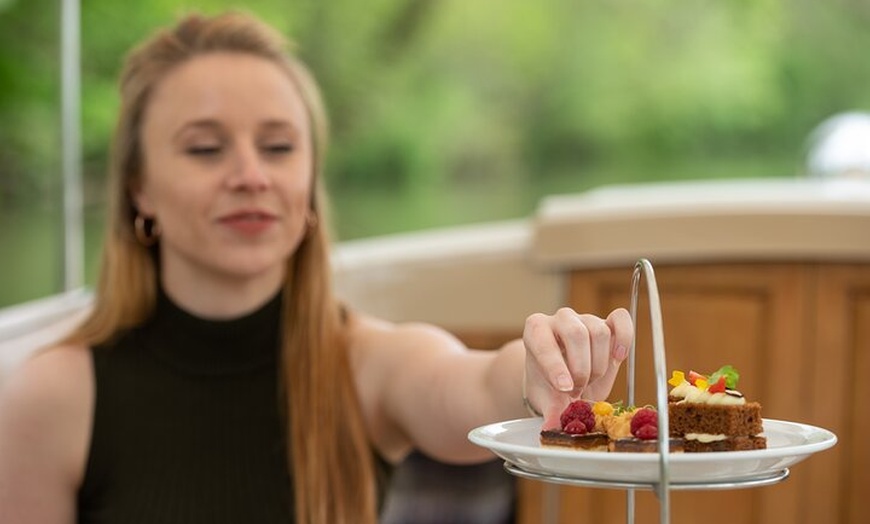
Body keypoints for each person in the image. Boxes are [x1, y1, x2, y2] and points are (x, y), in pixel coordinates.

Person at [0, 11, 632, 524]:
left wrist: (537, 372)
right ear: (139, 188)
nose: (251, 176)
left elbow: (468, 387)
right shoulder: (52, 398)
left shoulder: (370, 365)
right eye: (204, 148)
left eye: (278, 146)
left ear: (307, 183)